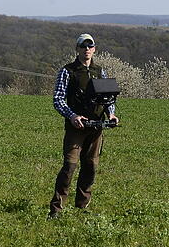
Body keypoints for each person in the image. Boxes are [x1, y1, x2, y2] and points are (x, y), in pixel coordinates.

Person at [48, 33, 119, 219]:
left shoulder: (99, 71)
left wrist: (111, 113)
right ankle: (56, 209)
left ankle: (82, 207)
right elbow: (58, 99)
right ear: (77, 49)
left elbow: (108, 97)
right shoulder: (67, 71)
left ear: (94, 49)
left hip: (96, 127)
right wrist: (72, 116)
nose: (87, 49)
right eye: (83, 46)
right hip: (76, 128)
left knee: (91, 167)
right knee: (69, 167)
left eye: (90, 46)